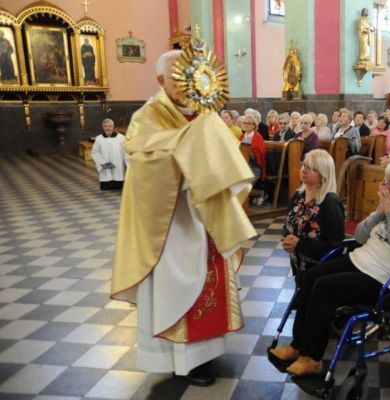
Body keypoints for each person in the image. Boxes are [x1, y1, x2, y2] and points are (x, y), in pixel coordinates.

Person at [111, 50, 256, 386]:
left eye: (190, 75)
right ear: (161, 81)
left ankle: (207, 353)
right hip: (171, 226)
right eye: (178, 77)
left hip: (206, 219)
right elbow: (143, 159)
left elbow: (226, 156)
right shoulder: (148, 115)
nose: (186, 84)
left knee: (211, 284)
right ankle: (185, 362)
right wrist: (189, 149)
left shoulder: (205, 113)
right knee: (179, 290)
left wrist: (211, 153)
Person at [270, 156, 390, 375]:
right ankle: (298, 345)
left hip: (385, 276)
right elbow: (360, 236)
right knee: (311, 277)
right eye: (385, 181)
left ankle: (312, 358)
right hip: (360, 258)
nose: (385, 186)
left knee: (325, 288)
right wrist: (381, 211)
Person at [281, 149, 345, 283]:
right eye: (304, 165)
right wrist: (287, 237)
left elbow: (335, 247)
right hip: (298, 266)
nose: (304, 170)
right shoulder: (299, 196)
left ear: (323, 174)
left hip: (319, 272)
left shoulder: (330, 203)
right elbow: (289, 222)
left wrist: (299, 245)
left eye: (312, 168)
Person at [91, 118, 127, 190]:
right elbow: (95, 152)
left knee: (119, 181)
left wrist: (128, 164)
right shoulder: (99, 139)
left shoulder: (121, 138)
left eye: (110, 126)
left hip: (118, 164)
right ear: (103, 127)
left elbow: (127, 151)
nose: (108, 128)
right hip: (105, 166)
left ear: (113, 127)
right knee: (106, 182)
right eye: (105, 126)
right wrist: (103, 163)